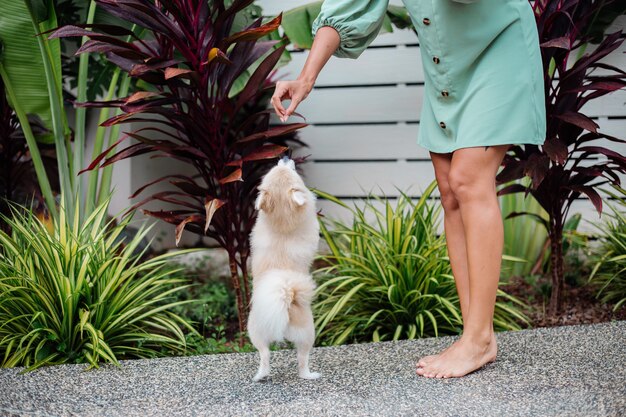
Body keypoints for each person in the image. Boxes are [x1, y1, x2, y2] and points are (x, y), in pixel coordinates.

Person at [271, 0, 546, 378]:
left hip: (499, 46)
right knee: (450, 191)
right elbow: (348, 6)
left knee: (468, 179)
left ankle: (478, 339)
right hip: (447, 61)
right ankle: (475, 335)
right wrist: (307, 77)